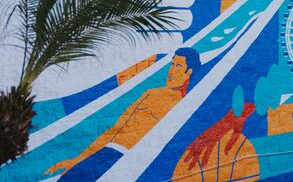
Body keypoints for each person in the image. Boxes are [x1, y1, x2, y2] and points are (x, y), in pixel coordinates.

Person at [46, 48, 200, 180]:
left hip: (133, 164)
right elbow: (116, 129)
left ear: (189, 72)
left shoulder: (186, 108)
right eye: (172, 64)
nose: (171, 71)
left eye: (178, 66)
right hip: (110, 153)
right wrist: (77, 160)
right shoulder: (153, 93)